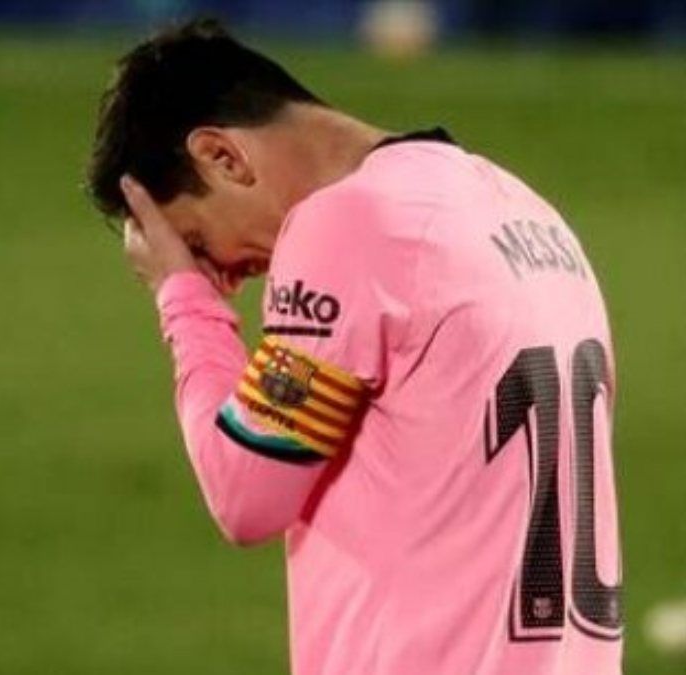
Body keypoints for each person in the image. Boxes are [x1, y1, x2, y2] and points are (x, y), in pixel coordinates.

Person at [86, 18, 623, 674]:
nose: (226, 275)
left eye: (196, 242)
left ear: (222, 156)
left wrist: (184, 298)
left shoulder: (350, 222)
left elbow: (246, 494)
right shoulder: (526, 211)